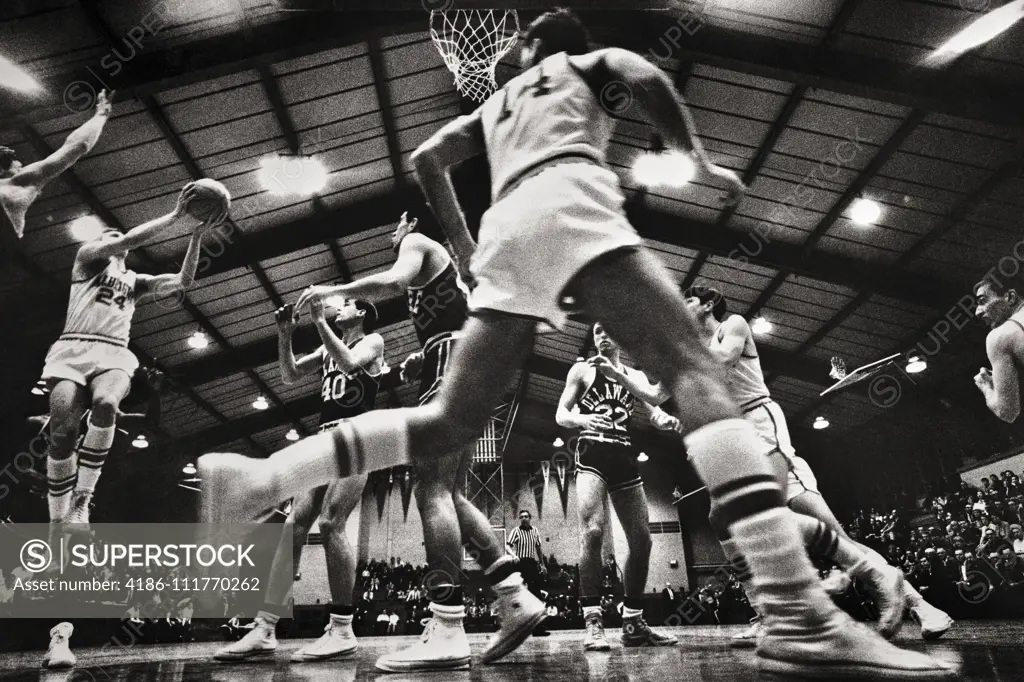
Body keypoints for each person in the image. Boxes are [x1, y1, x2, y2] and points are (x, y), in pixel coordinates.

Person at [198, 9, 951, 678]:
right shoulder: (583, 62)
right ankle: (798, 614)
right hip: (570, 203)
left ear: (523, 47)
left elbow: (427, 160)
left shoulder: (497, 106)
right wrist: (699, 158)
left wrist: (461, 242)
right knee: (695, 371)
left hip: (506, 236)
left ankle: (261, 479)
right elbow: (645, 73)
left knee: (448, 426)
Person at [292, 213, 544, 671]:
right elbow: (448, 318)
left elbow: (391, 282)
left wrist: (332, 291)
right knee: (450, 492)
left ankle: (448, 626)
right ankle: (514, 594)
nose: (391, 232)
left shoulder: (419, 241)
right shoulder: (442, 269)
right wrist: (418, 359)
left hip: (453, 360)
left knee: (431, 491)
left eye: (394, 225)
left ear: (408, 221)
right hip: (457, 359)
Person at [669, 286, 953, 643]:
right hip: (737, 439)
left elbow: (723, 361)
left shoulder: (733, 325)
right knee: (722, 519)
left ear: (709, 304)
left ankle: (918, 603)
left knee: (834, 534)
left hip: (762, 429)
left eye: (688, 300)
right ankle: (768, 612)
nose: (680, 308)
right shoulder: (694, 351)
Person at [213, 297, 387, 662]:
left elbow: (351, 364)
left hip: (357, 436)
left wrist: (318, 323)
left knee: (331, 522)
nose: (338, 310)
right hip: (325, 437)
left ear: (363, 314)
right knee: (293, 527)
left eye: (346, 306)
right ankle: (265, 627)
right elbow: (289, 375)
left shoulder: (374, 341)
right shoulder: (328, 347)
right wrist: (284, 333)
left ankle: (342, 628)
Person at [44, 184, 221, 531]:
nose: (114, 235)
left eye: (116, 233)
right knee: (63, 433)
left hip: (113, 351)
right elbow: (128, 242)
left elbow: (183, 280)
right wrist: (174, 216)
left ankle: (82, 501)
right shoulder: (89, 258)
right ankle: (55, 521)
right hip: (73, 347)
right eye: (111, 234)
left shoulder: (136, 281)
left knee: (108, 404)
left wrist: (197, 236)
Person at [555, 322, 676, 650]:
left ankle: (633, 621)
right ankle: (593, 620)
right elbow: (560, 415)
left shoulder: (635, 377)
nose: (602, 336)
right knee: (593, 532)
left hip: (623, 454)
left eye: (609, 329)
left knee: (643, 541)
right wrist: (581, 419)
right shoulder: (582, 370)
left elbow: (655, 410)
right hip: (592, 451)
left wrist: (664, 420)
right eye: (596, 332)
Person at [1, 91, 113, 240]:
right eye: (16, 164)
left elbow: (76, 147)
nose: (20, 166)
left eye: (17, 165)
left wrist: (100, 116)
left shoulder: (16, 185)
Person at [974, 274, 1024, 422]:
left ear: (1010, 297)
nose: (978, 312)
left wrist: (986, 387)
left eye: (983, 301)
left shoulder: (1000, 336)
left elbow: (1008, 412)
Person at [505, 510, 550, 636]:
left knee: (535, 594)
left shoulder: (535, 531)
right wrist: (514, 555)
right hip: (520, 563)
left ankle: (537, 628)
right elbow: (507, 546)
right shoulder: (516, 531)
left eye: (526, 516)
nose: (524, 518)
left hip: (531, 563)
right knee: (519, 593)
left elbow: (538, 548)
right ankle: (515, 628)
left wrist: (542, 564)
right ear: (520, 519)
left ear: (530, 518)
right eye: (522, 517)